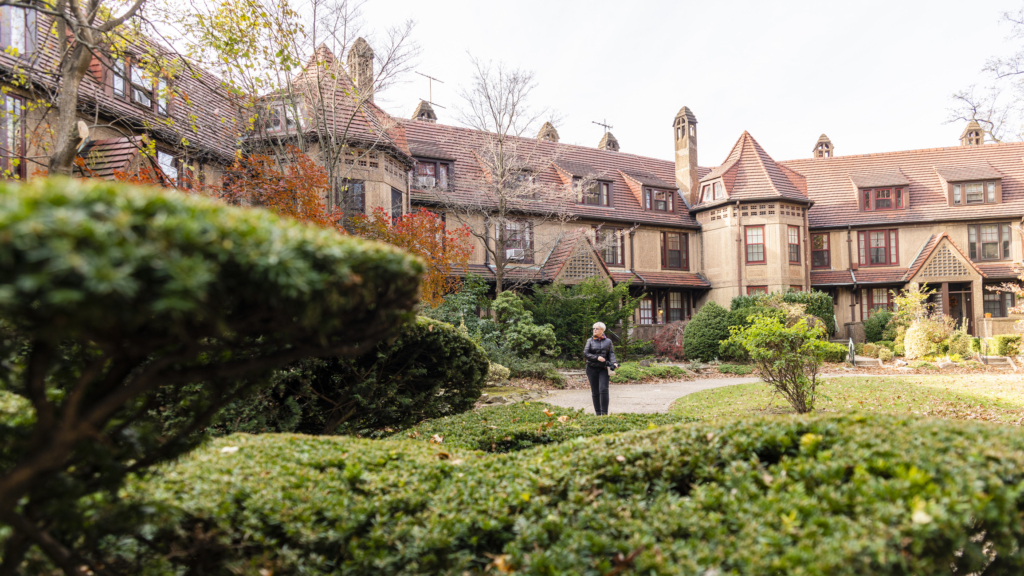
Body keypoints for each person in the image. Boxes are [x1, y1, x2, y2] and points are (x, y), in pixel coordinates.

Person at [583, 322, 618, 415]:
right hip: (591, 368)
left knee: (603, 389)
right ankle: (598, 414)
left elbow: (611, 353)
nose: (594, 330)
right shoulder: (589, 341)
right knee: (595, 391)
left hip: (604, 368)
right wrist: (597, 358)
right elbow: (585, 354)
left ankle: (605, 413)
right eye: (593, 328)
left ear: (602, 330)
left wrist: (614, 362)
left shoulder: (608, 341)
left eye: (597, 328)